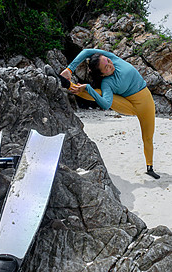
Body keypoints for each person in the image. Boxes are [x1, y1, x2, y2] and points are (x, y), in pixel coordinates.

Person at [52, 48, 160, 179]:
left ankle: (150, 167)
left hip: (146, 104)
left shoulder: (113, 58)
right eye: (106, 67)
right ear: (102, 74)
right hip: (128, 105)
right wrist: (88, 88)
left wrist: (69, 69)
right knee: (99, 93)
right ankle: (70, 85)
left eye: (108, 61)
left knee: (148, 137)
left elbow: (86, 52)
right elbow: (106, 104)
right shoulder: (107, 83)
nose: (110, 65)